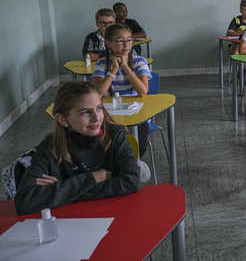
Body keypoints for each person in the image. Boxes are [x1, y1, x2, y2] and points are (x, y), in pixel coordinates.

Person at [14, 81, 140, 215]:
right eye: (85, 113)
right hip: (67, 222)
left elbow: (131, 182)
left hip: (115, 213)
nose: (97, 118)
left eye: (99, 108)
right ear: (62, 119)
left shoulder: (115, 136)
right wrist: (91, 179)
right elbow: (24, 202)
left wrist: (62, 189)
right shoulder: (49, 147)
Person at [92, 23, 152, 156]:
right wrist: (113, 70)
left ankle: (130, 168)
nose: (126, 44)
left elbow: (143, 91)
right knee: (102, 147)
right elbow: (97, 93)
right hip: (109, 114)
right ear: (108, 43)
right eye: (120, 40)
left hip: (137, 113)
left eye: (129, 39)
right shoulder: (102, 63)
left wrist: (125, 67)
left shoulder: (140, 61)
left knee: (138, 147)